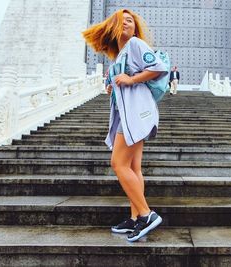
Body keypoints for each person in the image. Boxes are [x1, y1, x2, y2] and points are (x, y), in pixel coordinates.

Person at [82, 9, 167, 242]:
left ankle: (147, 214)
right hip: (126, 115)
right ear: (114, 26)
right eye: (124, 20)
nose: (128, 23)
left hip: (136, 113)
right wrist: (112, 86)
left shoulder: (136, 44)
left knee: (118, 164)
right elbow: (117, 84)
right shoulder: (118, 57)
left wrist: (130, 79)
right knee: (133, 167)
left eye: (131, 21)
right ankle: (135, 218)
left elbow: (158, 67)